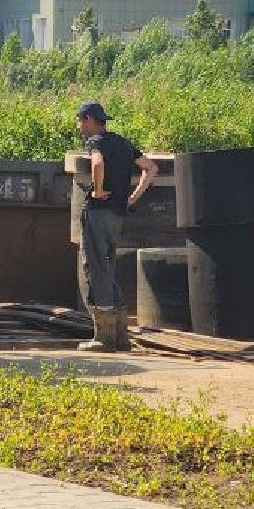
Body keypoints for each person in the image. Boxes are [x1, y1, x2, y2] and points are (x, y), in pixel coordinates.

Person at [74, 101, 158, 352]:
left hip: (98, 211)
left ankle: (104, 338)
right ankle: (120, 336)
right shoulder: (122, 142)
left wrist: (98, 190)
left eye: (80, 121)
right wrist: (133, 197)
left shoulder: (95, 142)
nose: (79, 127)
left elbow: (97, 164)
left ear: (88, 119)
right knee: (108, 264)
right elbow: (151, 168)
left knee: (96, 265)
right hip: (117, 213)